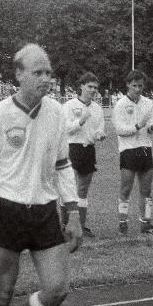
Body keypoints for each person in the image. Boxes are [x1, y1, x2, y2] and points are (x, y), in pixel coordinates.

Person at [0, 43, 82, 306]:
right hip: (7, 209)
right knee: (3, 293)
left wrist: (73, 210)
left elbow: (62, 164)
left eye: (48, 72)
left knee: (57, 288)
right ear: (18, 75)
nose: (46, 78)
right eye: (38, 72)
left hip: (45, 211)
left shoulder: (57, 112)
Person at [111, 70, 153, 235]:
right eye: (134, 85)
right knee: (126, 189)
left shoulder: (148, 103)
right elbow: (120, 130)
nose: (138, 89)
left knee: (146, 190)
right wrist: (138, 126)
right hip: (128, 150)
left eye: (140, 85)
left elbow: (149, 124)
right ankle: (122, 223)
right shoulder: (120, 104)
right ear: (128, 85)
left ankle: (146, 223)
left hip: (145, 148)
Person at [61, 72, 107, 238]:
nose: (93, 90)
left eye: (95, 87)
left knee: (83, 190)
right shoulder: (69, 106)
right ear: (81, 86)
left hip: (88, 149)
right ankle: (64, 225)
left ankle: (81, 225)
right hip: (72, 148)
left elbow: (99, 129)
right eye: (90, 86)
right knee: (69, 189)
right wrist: (80, 121)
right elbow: (65, 129)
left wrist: (100, 134)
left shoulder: (97, 108)